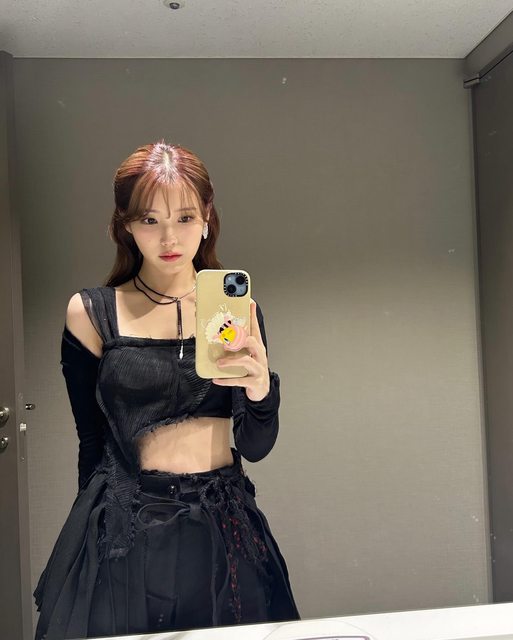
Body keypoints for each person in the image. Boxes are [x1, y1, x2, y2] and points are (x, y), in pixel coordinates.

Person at [33, 140, 300, 639]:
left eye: (185, 217)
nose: (169, 237)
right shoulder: (91, 313)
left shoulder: (237, 312)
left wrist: (262, 390)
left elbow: (256, 447)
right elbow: (91, 441)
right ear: (126, 225)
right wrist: (91, 548)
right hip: (127, 525)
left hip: (223, 524)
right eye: (150, 219)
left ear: (207, 219)